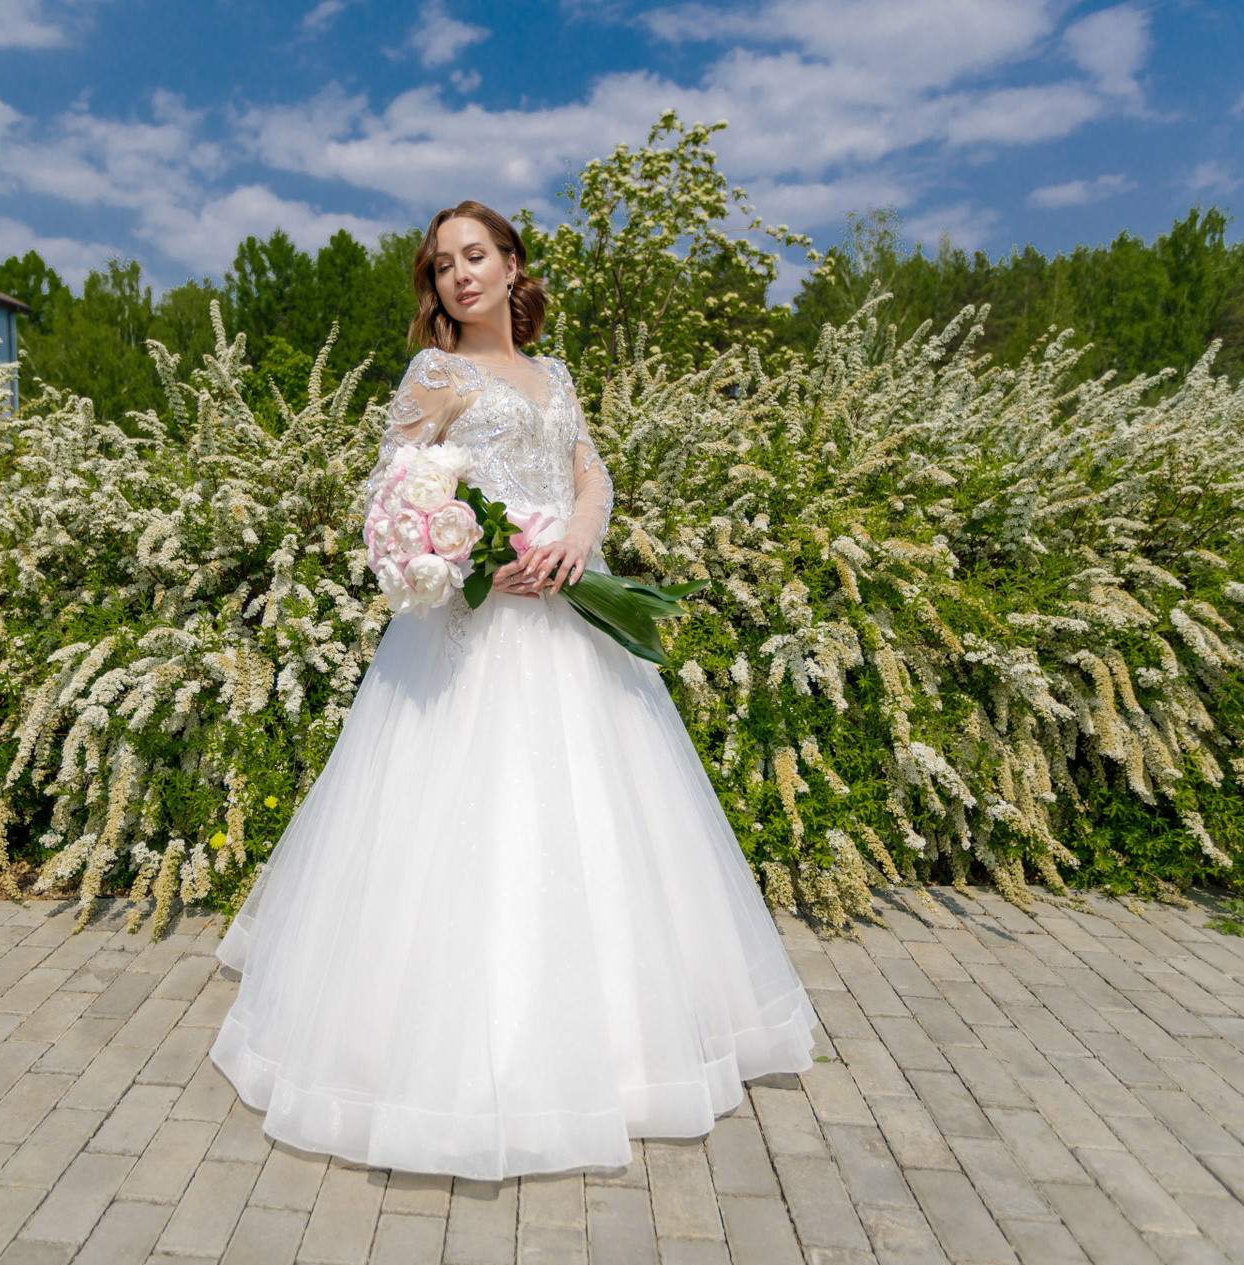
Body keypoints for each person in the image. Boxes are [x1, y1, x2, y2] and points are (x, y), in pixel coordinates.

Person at [207, 200, 818, 1180]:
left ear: (511, 264)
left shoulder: (555, 374)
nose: (461, 274)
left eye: (476, 255)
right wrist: (472, 557)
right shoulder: (434, 374)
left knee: (599, 819)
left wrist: (577, 535)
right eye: (443, 264)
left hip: (571, 616)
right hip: (477, 624)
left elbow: (591, 474)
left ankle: (624, 1051)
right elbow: (391, 495)